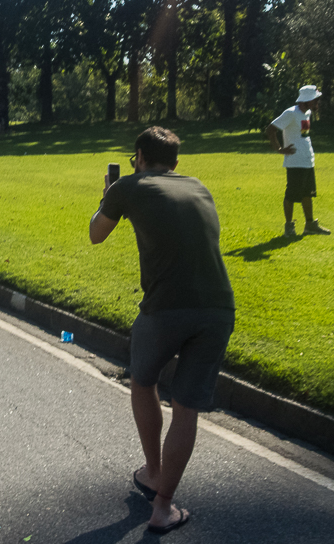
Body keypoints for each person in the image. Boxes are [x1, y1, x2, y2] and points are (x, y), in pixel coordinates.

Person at [90, 126, 235, 535]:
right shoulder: (198, 186)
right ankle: (163, 506)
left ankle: (153, 472)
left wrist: (109, 195)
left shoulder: (127, 186)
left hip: (164, 309)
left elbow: (95, 235)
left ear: (138, 155)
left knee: (143, 381)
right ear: (175, 162)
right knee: (185, 408)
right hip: (218, 308)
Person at [265, 85, 331, 237]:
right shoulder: (291, 113)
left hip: (307, 161)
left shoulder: (307, 113)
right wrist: (279, 149)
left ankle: (310, 225)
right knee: (292, 195)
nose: (317, 104)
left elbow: (303, 136)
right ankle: (289, 227)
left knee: (307, 194)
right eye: (315, 101)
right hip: (295, 162)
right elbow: (270, 129)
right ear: (306, 100)